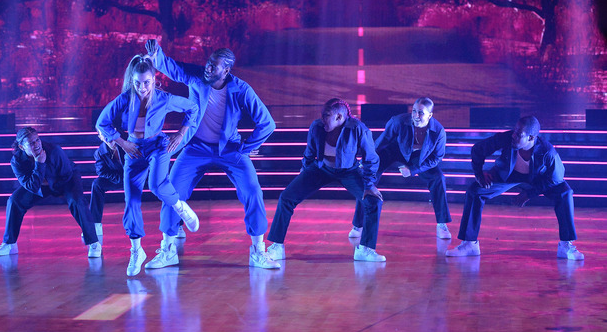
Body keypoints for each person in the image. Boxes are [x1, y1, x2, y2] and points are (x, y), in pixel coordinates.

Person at [145, 39, 279, 269]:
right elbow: (174, 69)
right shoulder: (197, 76)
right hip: (196, 147)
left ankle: (258, 251)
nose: (208, 67)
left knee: (253, 190)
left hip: (230, 149)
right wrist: (157, 55)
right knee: (171, 189)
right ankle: (167, 250)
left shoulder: (241, 89)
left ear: (226, 71)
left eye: (214, 65)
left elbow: (267, 123)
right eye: (208, 62)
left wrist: (247, 147)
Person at [96, 55, 201, 277]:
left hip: (157, 146)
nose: (142, 87)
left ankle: (180, 207)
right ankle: (136, 250)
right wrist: (122, 142)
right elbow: (102, 123)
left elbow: (193, 108)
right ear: (131, 81)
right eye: (137, 83)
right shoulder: (125, 99)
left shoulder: (164, 98)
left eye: (146, 82)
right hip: (133, 149)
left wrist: (181, 134)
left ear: (154, 80)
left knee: (157, 185)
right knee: (131, 200)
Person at [446, 116, 584, 260]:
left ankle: (565, 245)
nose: (513, 135)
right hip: (507, 175)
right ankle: (470, 244)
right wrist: (479, 174)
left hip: (536, 180)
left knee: (565, 192)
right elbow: (478, 149)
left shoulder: (547, 151)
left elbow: (557, 178)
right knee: (475, 191)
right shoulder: (507, 138)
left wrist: (530, 193)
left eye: (519, 134)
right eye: (514, 131)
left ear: (531, 137)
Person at [266, 98, 386, 262]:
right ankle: (277, 246)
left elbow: (371, 158)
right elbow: (309, 152)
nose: (322, 119)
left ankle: (365, 249)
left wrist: (369, 185)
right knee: (287, 197)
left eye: (326, 115)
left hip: (349, 171)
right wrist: (305, 170)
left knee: (373, 201)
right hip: (321, 168)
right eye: (322, 115)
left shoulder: (358, 128)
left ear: (339, 117)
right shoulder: (317, 126)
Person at [0, 127, 102, 257]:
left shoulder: (54, 150)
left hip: (66, 179)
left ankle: (93, 242)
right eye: (31, 143)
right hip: (40, 184)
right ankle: (9, 244)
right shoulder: (17, 161)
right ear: (22, 147)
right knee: (14, 201)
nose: (37, 144)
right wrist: (39, 164)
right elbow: (32, 187)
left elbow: (66, 174)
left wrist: (49, 183)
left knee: (77, 201)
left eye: (37, 140)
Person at [352, 97, 452, 239]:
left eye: (421, 113)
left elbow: (437, 157)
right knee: (368, 177)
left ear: (430, 115)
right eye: (414, 111)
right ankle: (358, 224)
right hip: (394, 150)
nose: (416, 116)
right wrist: (367, 161)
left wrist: (413, 170)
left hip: (419, 157)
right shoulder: (398, 121)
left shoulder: (439, 131)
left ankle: (442, 224)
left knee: (439, 178)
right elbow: (381, 142)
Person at [89, 131, 125, 238]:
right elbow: (102, 172)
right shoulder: (100, 152)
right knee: (97, 184)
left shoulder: (127, 141)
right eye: (104, 135)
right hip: (118, 179)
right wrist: (120, 178)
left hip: (136, 177)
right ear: (100, 137)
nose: (108, 138)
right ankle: (95, 225)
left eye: (108, 133)